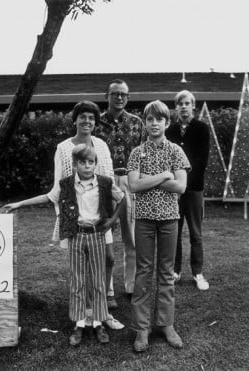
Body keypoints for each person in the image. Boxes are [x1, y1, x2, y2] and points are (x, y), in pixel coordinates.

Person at [4, 144, 125, 346]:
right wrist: (19, 204)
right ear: (75, 163)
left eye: (91, 162)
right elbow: (47, 197)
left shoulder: (104, 183)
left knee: (98, 280)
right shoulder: (67, 184)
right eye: (82, 162)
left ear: (95, 163)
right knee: (77, 280)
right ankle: (78, 324)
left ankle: (97, 323)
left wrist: (112, 221)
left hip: (97, 236)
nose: (87, 166)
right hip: (76, 236)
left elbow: (122, 198)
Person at [127, 100, 190, 352]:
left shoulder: (176, 151)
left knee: (166, 272)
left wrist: (148, 180)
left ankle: (166, 324)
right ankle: (142, 329)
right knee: (143, 272)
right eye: (149, 119)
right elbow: (133, 185)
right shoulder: (136, 152)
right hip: (143, 219)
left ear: (167, 122)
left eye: (159, 119)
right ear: (145, 122)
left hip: (169, 218)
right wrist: (165, 176)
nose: (154, 123)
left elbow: (181, 187)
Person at [94, 79, 145, 302]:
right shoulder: (96, 123)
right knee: (105, 236)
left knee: (131, 236)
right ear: (107, 96)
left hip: (129, 181)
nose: (120, 97)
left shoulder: (137, 123)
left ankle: (131, 286)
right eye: (115, 94)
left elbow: (145, 154)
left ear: (128, 97)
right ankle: (107, 289)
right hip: (104, 181)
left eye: (124, 94)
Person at [166, 90, 211, 291]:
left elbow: (202, 160)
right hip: (174, 190)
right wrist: (175, 184)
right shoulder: (170, 130)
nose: (183, 106)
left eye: (187, 103)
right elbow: (167, 160)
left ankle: (197, 273)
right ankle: (175, 271)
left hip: (193, 188)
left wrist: (185, 182)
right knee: (174, 231)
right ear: (176, 107)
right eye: (180, 103)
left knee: (195, 233)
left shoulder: (202, 128)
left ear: (193, 105)